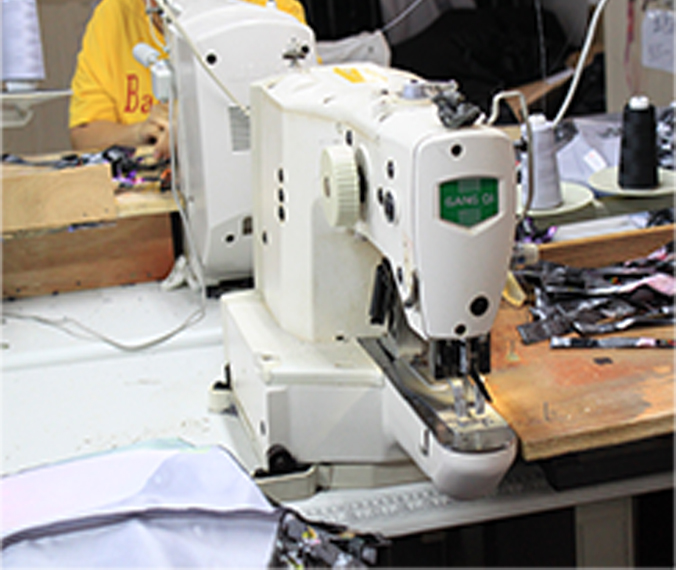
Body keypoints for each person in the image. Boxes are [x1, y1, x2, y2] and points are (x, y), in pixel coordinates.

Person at [69, 0, 307, 158]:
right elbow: (84, 136)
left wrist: (197, 124)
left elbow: (306, 114)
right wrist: (140, 132)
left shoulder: (273, 10)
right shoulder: (114, 15)